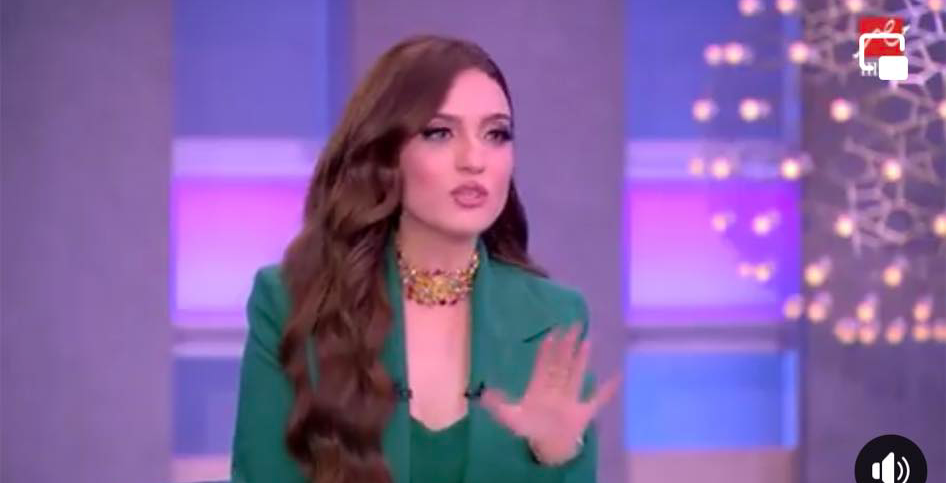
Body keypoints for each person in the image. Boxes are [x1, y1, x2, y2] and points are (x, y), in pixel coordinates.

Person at [230, 35, 620, 483]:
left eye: (496, 134)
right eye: (439, 133)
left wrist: (552, 455)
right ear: (385, 153)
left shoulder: (553, 317)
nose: (474, 160)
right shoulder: (291, 302)